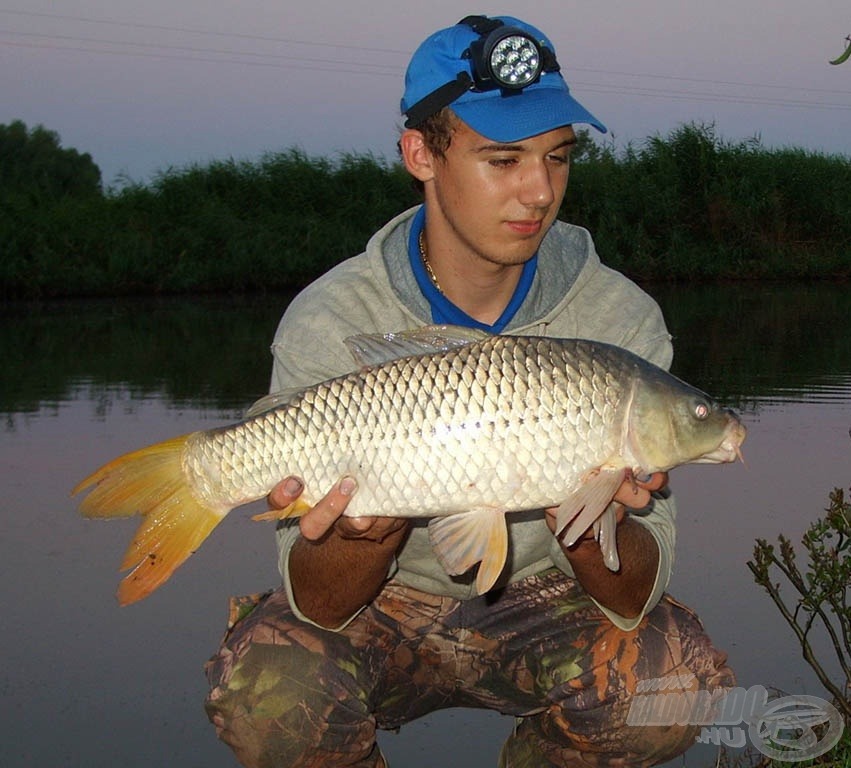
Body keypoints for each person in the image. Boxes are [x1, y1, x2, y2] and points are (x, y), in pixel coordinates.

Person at [205, 14, 734, 768]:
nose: (539, 191)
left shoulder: (617, 323)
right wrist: (368, 534)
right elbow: (319, 604)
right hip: (380, 605)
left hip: (544, 601)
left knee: (672, 688)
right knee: (267, 696)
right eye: (503, 159)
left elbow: (629, 600)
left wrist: (587, 522)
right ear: (420, 154)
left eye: (557, 157)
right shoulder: (331, 319)